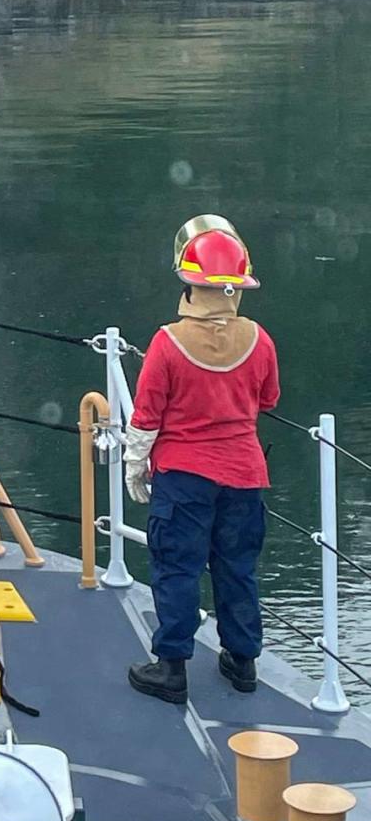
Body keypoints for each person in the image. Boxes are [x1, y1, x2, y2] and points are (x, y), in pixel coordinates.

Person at [125, 215, 280, 705]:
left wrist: (134, 465)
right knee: (237, 569)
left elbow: (147, 417)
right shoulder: (260, 340)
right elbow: (269, 399)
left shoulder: (167, 343)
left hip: (184, 479)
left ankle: (171, 668)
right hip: (245, 476)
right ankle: (243, 661)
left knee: (177, 569)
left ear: (189, 281)